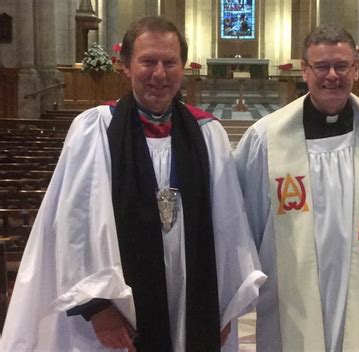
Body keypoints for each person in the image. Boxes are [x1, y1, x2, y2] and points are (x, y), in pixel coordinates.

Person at [1, 16, 266, 352]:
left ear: (183, 67)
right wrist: (97, 306)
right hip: (117, 311)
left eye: (170, 62)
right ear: (125, 66)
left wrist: (226, 306)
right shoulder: (96, 129)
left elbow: (230, 225)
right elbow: (76, 223)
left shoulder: (207, 134)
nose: (159, 74)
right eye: (148, 62)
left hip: (190, 298)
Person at [234, 24, 359, 351]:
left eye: (342, 66)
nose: (332, 75)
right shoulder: (267, 139)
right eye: (321, 66)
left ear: (356, 70)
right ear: (305, 70)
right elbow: (250, 219)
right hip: (292, 287)